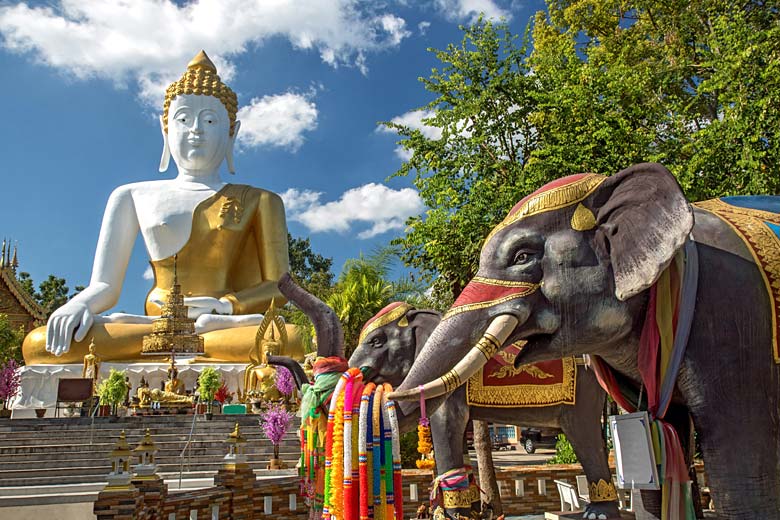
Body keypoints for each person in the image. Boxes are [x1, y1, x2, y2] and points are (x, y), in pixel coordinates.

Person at [22, 51, 303, 364]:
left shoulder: (261, 200)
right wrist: (78, 305)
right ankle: (192, 344)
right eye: (183, 119)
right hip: (155, 326)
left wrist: (224, 307)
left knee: (291, 340)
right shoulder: (130, 195)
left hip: (221, 323)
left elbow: (281, 288)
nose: (196, 130)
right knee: (39, 343)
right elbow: (105, 286)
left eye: (210, 120)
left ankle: (201, 338)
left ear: (231, 131)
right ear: (165, 128)